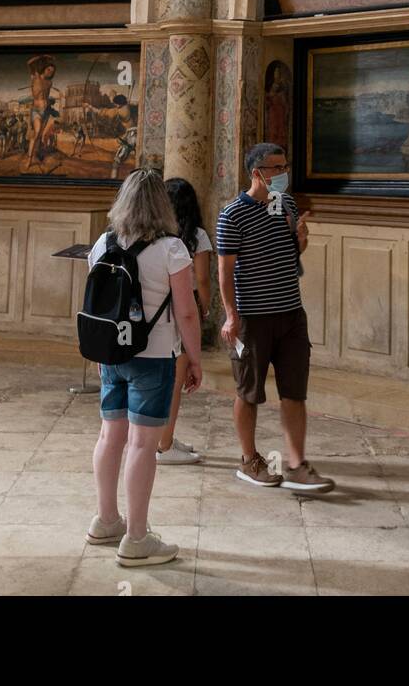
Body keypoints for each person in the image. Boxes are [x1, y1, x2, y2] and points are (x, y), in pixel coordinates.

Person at [87, 169, 202, 568]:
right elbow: (186, 313)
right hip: (152, 359)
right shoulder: (172, 248)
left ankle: (106, 520)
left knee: (109, 437)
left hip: (110, 356)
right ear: (160, 204)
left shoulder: (103, 242)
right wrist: (195, 358)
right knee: (141, 445)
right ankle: (137, 538)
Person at [216, 142, 335, 492]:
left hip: (290, 313)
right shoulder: (232, 214)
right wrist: (230, 316)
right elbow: (225, 272)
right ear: (257, 173)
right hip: (252, 318)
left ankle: (297, 464)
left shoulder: (286, 204)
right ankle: (250, 459)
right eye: (277, 168)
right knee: (249, 391)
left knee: (294, 391)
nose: (284, 173)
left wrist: (300, 239)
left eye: (286, 166)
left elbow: (291, 254)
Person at [156, 177, 213, 464]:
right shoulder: (197, 236)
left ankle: (163, 436)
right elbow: (202, 279)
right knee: (176, 380)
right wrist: (204, 308)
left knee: (161, 379)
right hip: (184, 302)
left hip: (158, 306)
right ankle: (163, 446)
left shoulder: (157, 233)